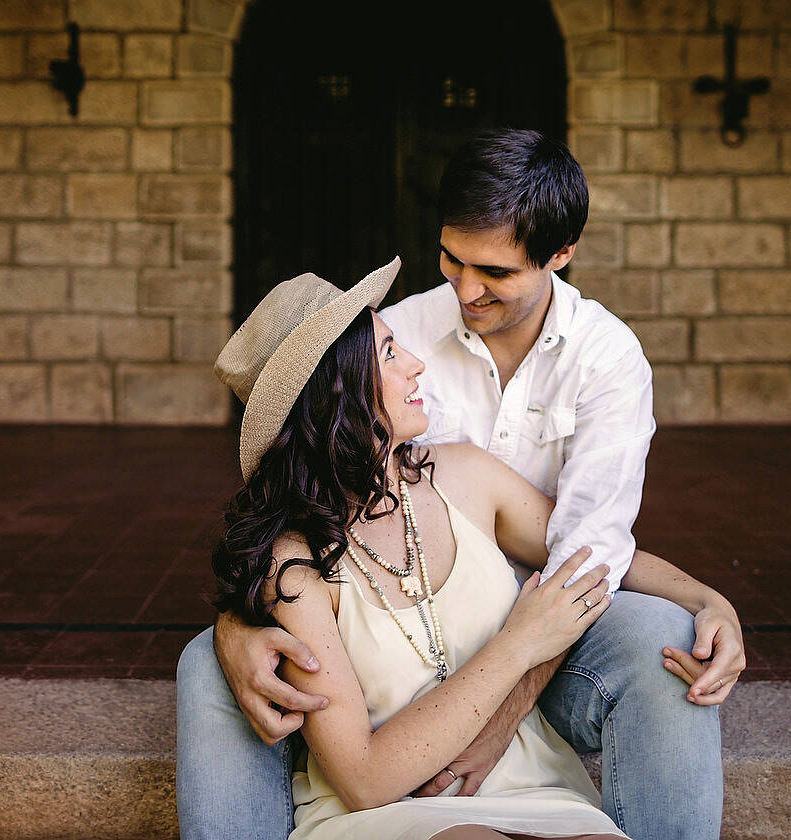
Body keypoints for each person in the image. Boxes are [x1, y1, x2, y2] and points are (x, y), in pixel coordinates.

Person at [178, 129, 745, 840]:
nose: (465, 290)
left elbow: (590, 552)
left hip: (552, 643)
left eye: (495, 272)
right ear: (341, 399)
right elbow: (300, 517)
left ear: (560, 254)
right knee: (204, 662)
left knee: (668, 634)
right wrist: (238, 622)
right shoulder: (404, 333)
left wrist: (706, 599)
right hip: (410, 712)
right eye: (452, 260)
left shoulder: (590, 372)